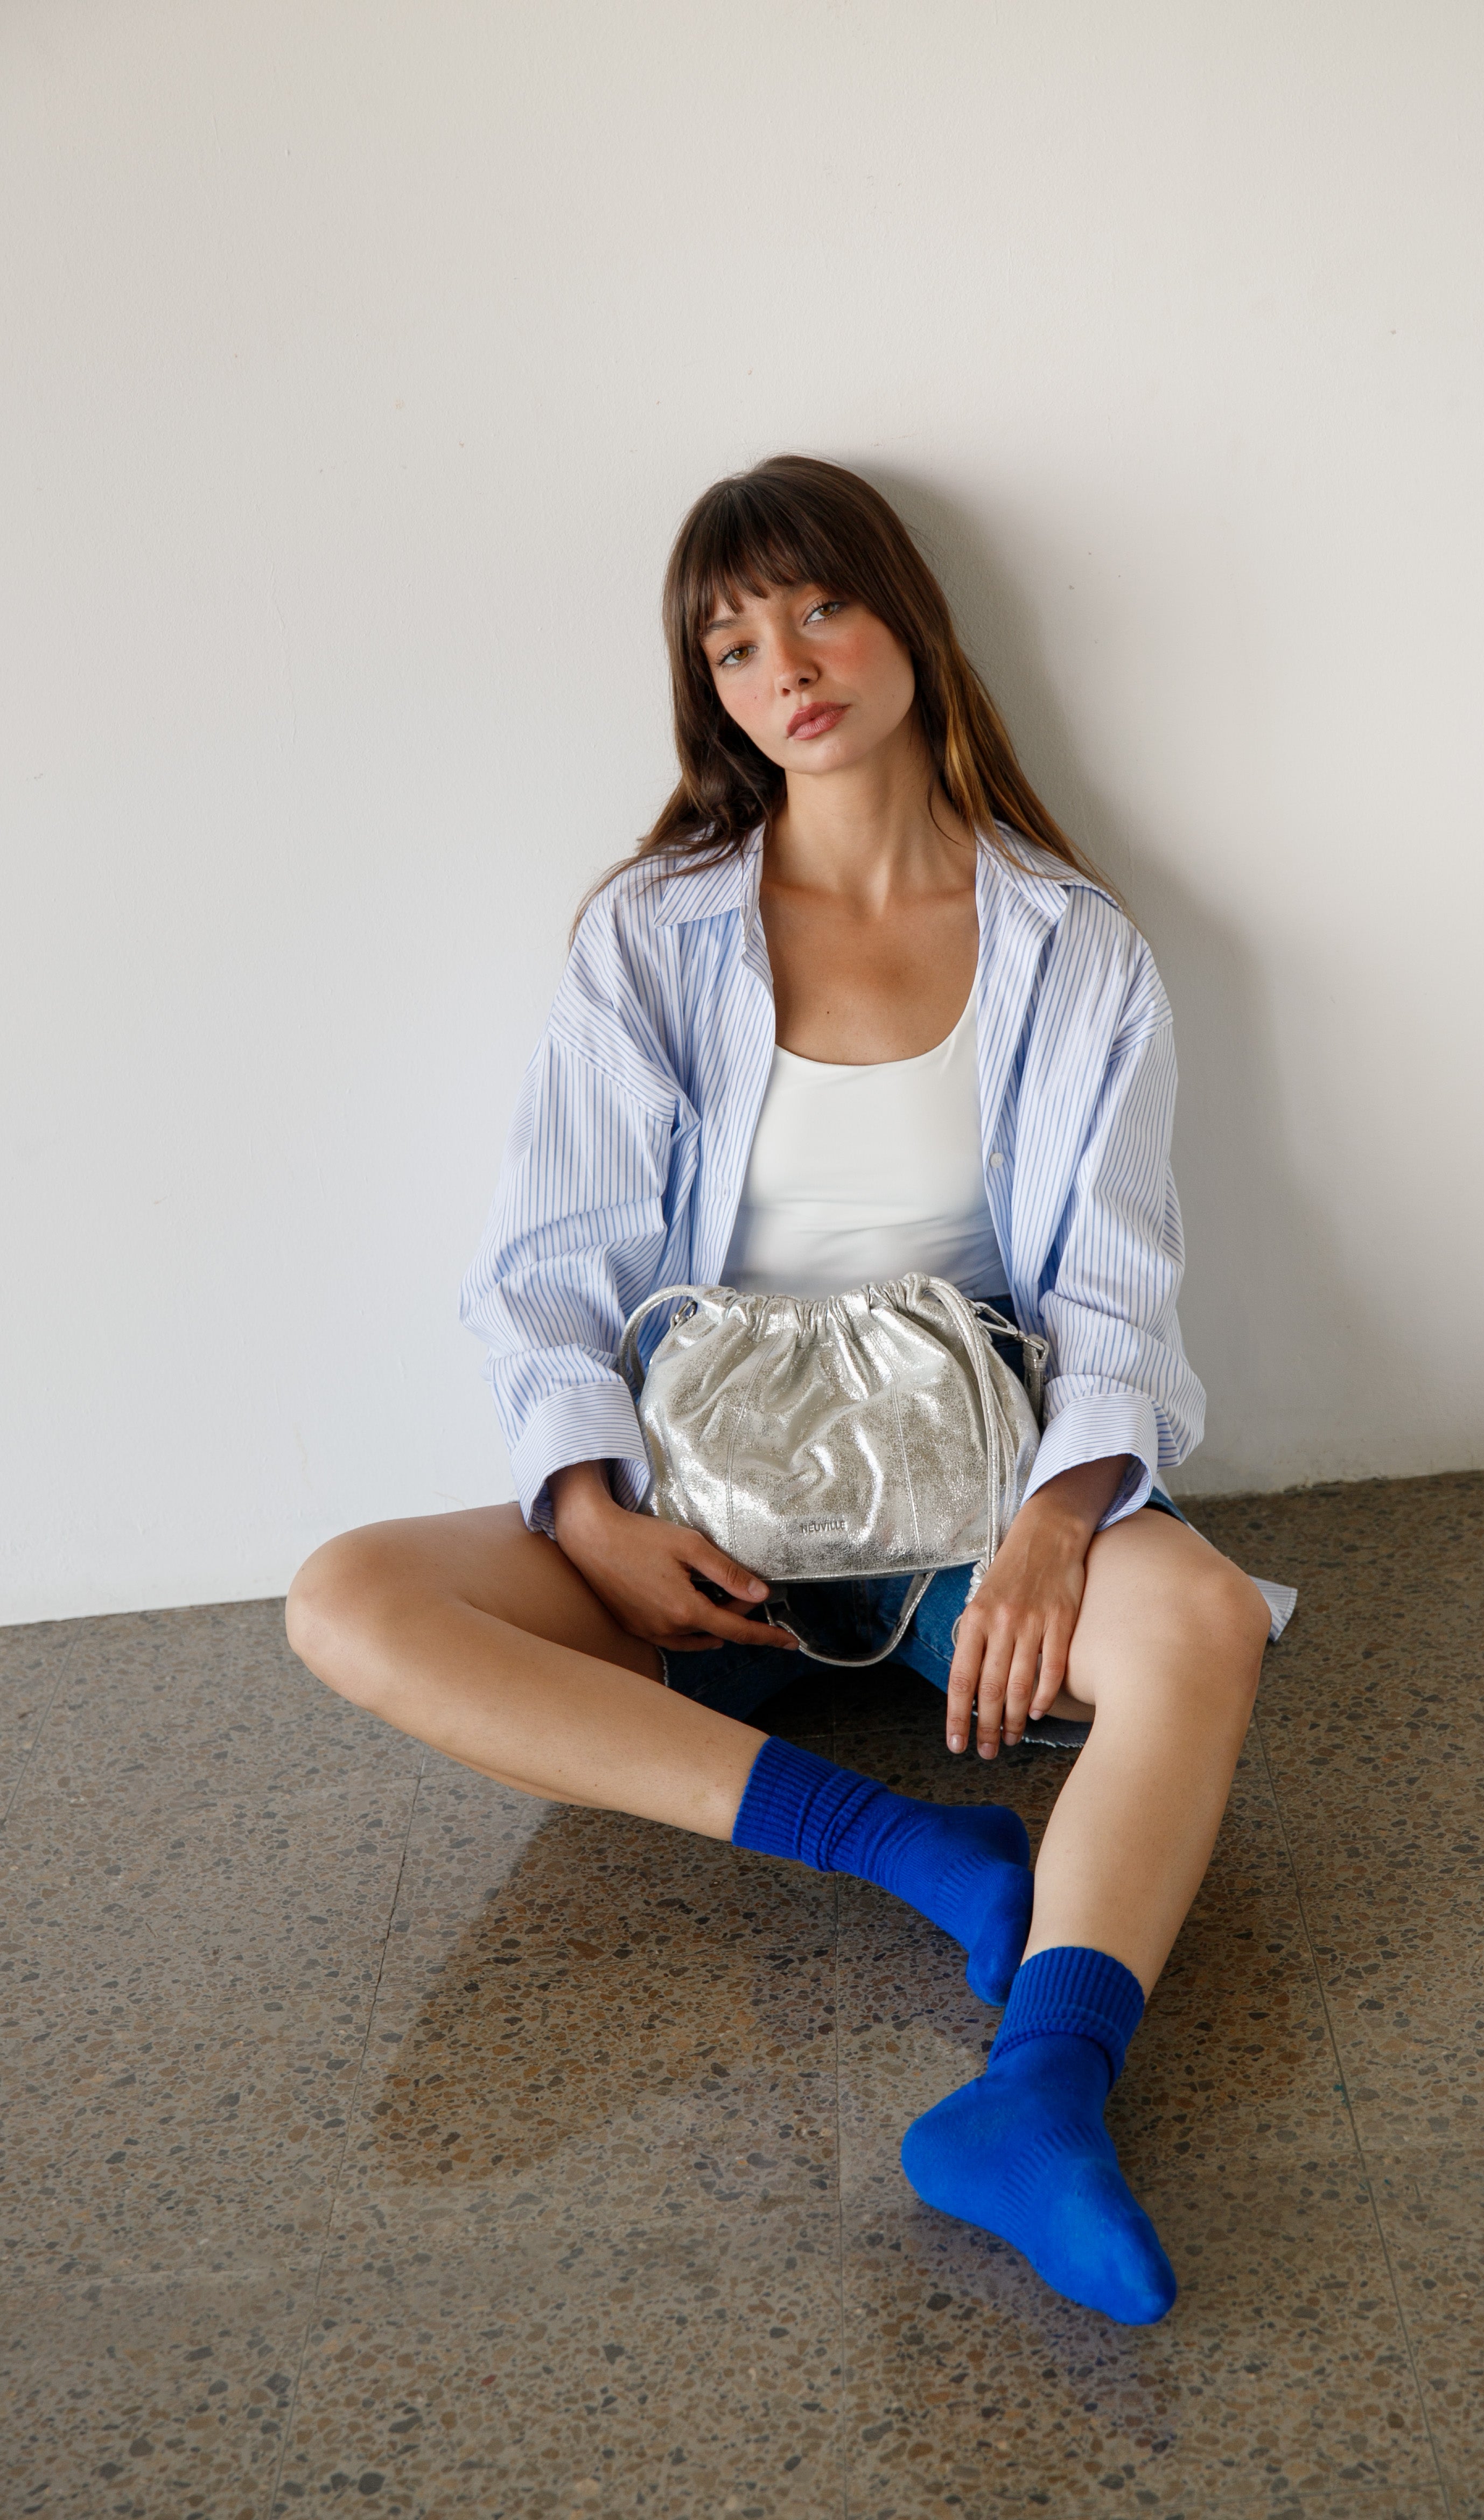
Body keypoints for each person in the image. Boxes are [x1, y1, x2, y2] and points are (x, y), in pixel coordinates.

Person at [286, 453, 1287, 2327]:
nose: (788, 668)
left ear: (907, 617)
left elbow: (1115, 1293)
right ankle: (918, 1849)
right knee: (349, 1596)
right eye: (733, 644)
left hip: (963, 1495)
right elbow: (547, 1269)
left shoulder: (1073, 944)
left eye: (819, 608)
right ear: (709, 692)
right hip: (707, 1518)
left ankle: (1037, 2098)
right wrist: (589, 1511)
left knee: (1207, 1621)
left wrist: (1057, 1526)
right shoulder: (654, 931)